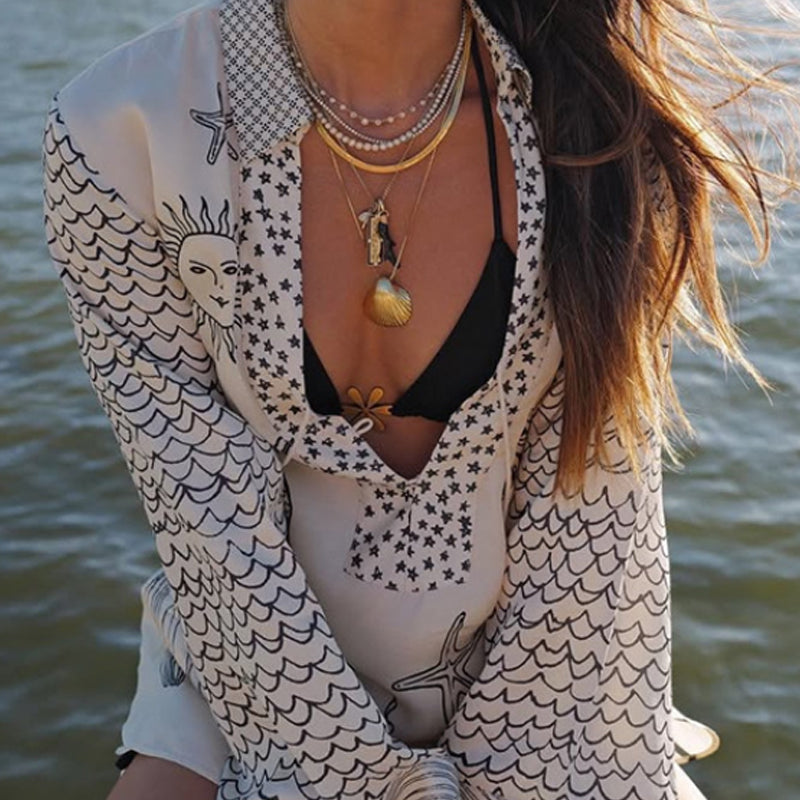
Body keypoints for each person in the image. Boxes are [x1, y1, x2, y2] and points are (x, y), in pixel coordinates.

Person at [42, 1, 793, 799]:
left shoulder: (597, 119)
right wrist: (370, 782)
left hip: (553, 679)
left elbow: (588, 531)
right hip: (250, 670)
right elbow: (213, 530)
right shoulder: (119, 138)